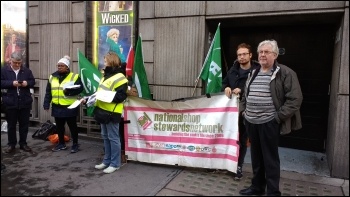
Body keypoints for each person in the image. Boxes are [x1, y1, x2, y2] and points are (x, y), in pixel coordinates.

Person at [239, 40, 303, 196]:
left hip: (269, 123)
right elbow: (245, 96)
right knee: (256, 157)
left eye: (266, 52)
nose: (262, 55)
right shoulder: (253, 72)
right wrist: (243, 112)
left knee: (270, 159)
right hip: (252, 122)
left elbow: (295, 99)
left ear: (275, 55)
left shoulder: (285, 73)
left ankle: (273, 192)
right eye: (260, 52)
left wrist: (277, 117)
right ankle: (257, 187)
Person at [222, 43, 259, 180]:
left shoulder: (258, 71)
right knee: (231, 139)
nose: (241, 57)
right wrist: (225, 87)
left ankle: (238, 167)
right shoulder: (233, 70)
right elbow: (224, 83)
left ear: (250, 55)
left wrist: (243, 90)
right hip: (231, 114)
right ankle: (227, 163)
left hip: (248, 113)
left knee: (243, 141)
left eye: (244, 54)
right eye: (239, 55)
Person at [88, 51, 128, 174]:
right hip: (102, 111)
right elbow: (100, 92)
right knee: (105, 137)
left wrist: (104, 96)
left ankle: (115, 164)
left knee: (113, 138)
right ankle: (107, 161)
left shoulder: (120, 77)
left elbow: (121, 96)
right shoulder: (105, 76)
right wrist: (90, 98)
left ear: (111, 61)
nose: (103, 63)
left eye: (105, 61)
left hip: (112, 113)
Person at [43, 55, 83, 153]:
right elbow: (48, 91)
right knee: (59, 127)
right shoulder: (52, 77)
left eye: (62, 65)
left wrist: (69, 92)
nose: (60, 67)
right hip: (57, 106)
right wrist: (46, 103)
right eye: (58, 65)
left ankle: (75, 144)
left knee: (72, 126)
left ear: (67, 67)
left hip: (70, 106)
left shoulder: (75, 76)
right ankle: (61, 144)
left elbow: (80, 89)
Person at [1, 51, 35, 153]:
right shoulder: (4, 71)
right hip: (10, 101)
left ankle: (23, 143)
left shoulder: (27, 71)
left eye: (19, 63)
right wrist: (11, 83)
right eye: (15, 62)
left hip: (24, 101)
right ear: (10, 61)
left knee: (24, 124)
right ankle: (11, 144)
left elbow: (32, 81)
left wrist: (26, 83)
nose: (17, 65)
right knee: (11, 125)